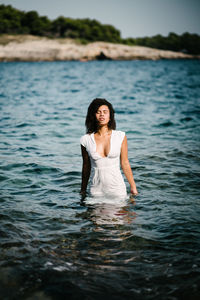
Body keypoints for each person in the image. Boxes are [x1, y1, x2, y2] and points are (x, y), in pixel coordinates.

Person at [80, 98, 138, 198]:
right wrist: (83, 190)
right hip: (96, 191)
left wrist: (133, 187)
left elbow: (125, 163)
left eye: (105, 112)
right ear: (93, 116)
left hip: (118, 190)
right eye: (98, 112)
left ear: (110, 116)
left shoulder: (120, 136)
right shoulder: (86, 140)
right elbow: (86, 167)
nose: (102, 114)